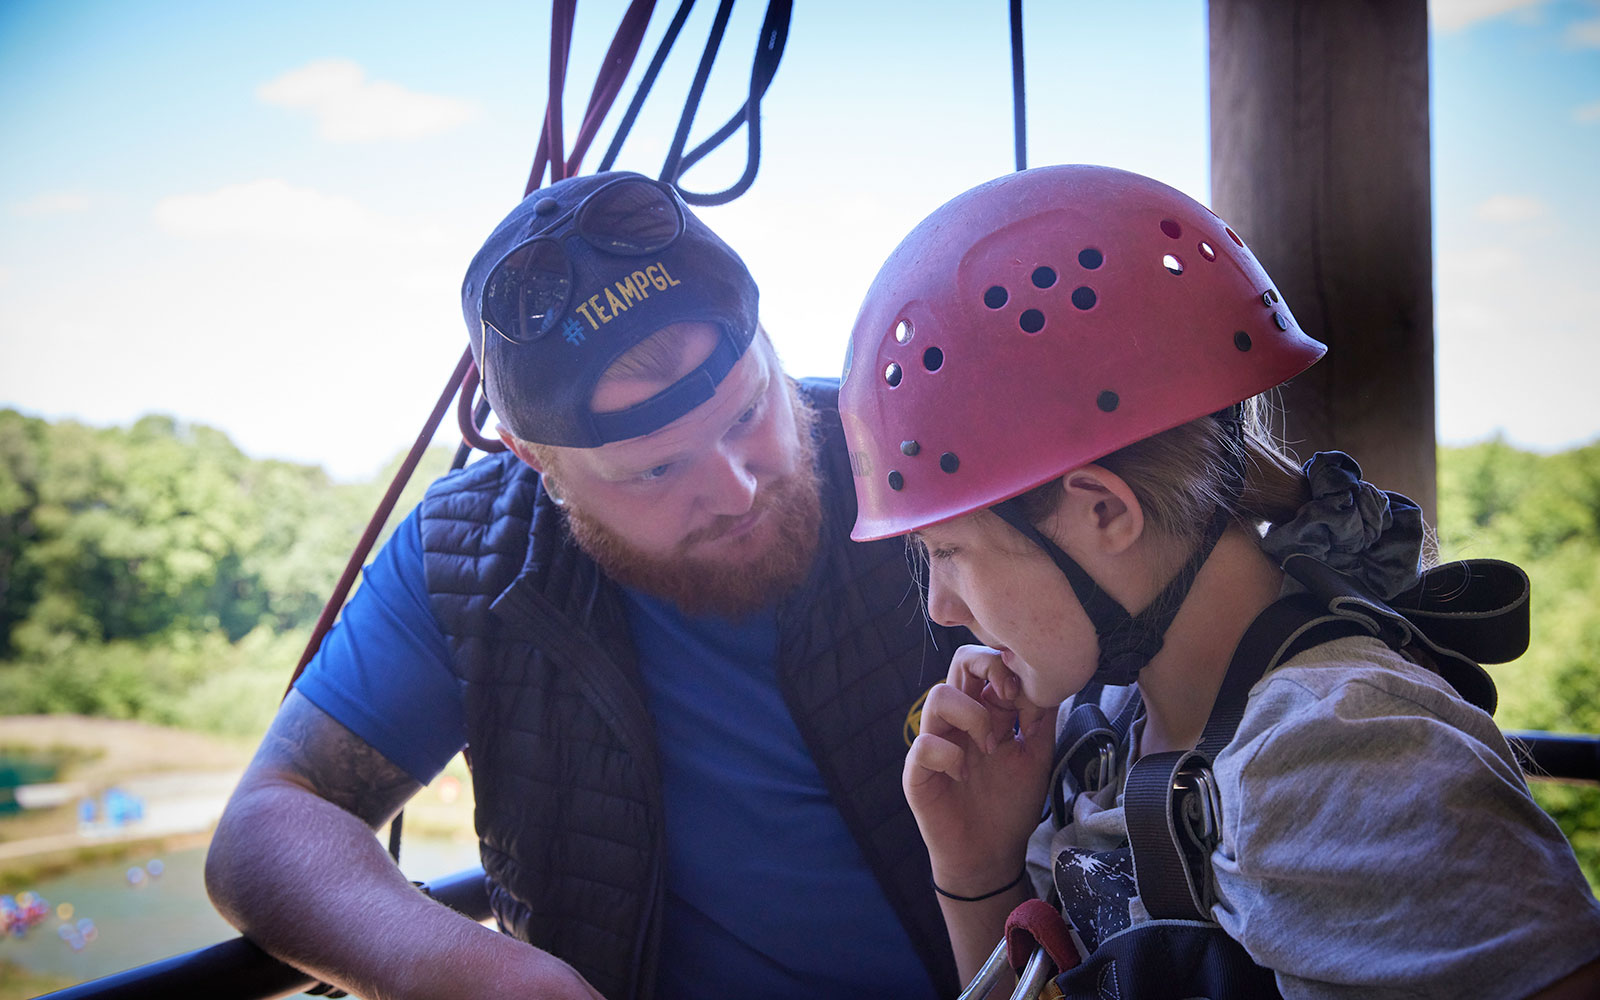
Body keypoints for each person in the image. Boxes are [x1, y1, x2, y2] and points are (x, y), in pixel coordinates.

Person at [836, 164, 1600, 999]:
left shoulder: (1338, 762)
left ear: (1102, 513)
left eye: (948, 553)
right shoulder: (1117, 724)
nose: (944, 609)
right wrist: (977, 869)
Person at [204, 171, 965, 1000]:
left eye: (748, 414)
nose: (738, 489)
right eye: (658, 469)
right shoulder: (469, 560)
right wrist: (474, 971)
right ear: (536, 460)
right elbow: (263, 828)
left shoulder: (924, 460)